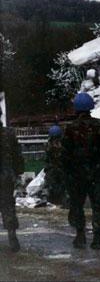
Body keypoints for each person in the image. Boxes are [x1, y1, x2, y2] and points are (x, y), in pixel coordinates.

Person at [62, 93, 100, 250]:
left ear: (76, 109)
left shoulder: (70, 128)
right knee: (98, 206)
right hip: (97, 173)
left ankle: (80, 236)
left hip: (77, 175)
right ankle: (97, 238)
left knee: (77, 205)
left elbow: (64, 153)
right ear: (91, 107)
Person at [0, 106, 24, 252]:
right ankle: (12, 235)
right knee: (8, 206)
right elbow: (17, 156)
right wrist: (18, 173)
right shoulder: (9, 133)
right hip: (6, 176)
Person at [44, 124, 66, 207]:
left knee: (56, 185)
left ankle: (57, 201)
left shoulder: (51, 144)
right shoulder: (52, 145)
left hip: (57, 168)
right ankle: (55, 200)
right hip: (56, 168)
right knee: (55, 185)